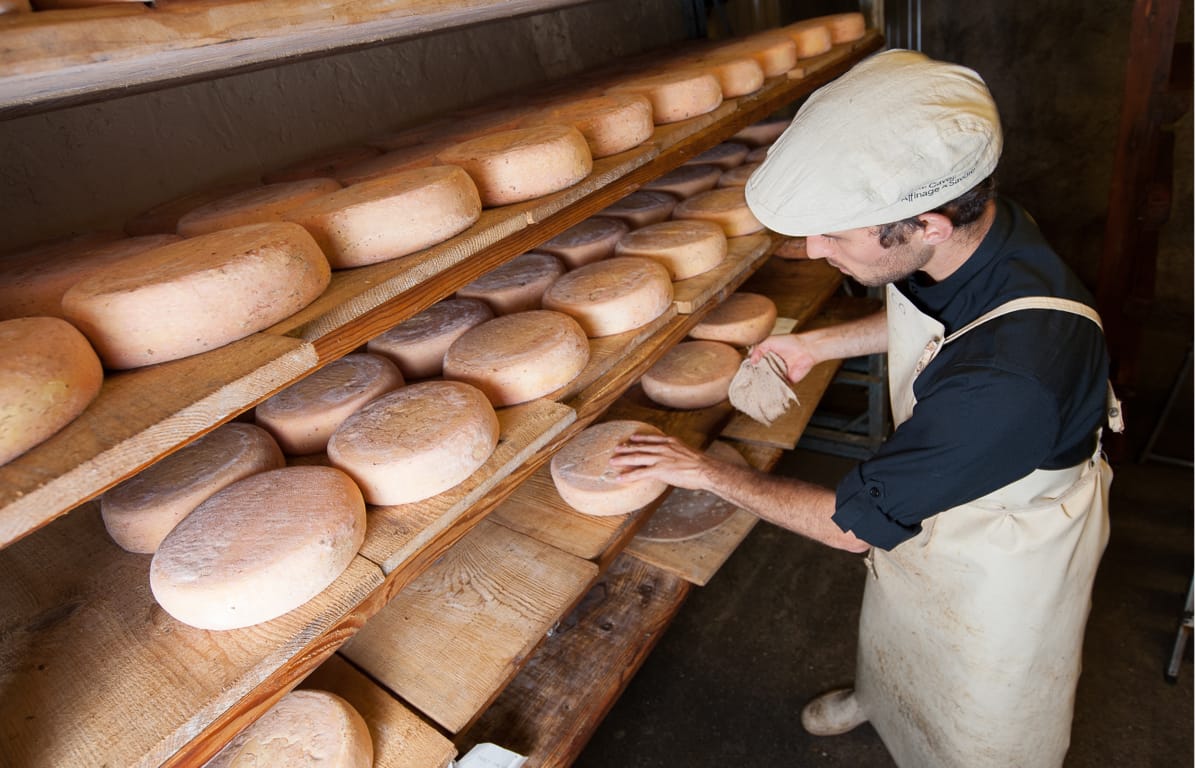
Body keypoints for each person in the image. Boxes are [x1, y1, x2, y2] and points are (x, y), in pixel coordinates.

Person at [609, 49, 1121, 768]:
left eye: (836, 234)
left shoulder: (1011, 381)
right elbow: (942, 325)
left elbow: (851, 528)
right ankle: (882, 699)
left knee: (986, 702)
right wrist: (816, 346)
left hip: (1003, 551)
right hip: (947, 476)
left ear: (929, 224)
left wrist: (708, 472)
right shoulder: (981, 235)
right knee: (897, 625)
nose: (813, 250)